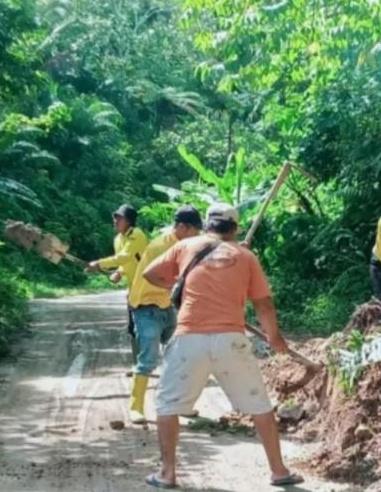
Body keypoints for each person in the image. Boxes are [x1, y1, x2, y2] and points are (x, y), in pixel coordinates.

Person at [142, 202, 303, 489]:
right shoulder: (246, 256)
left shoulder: (186, 246)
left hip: (189, 339)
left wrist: (179, 283)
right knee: (260, 406)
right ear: (235, 228)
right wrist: (275, 338)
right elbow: (264, 304)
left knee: (167, 405)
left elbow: (150, 273)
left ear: (207, 225)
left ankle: (167, 474)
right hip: (231, 341)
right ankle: (279, 471)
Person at [126, 205, 203, 425]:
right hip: (146, 306)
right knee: (148, 359)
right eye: (194, 230)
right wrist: (178, 286)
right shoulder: (162, 246)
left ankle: (180, 404)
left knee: (179, 356)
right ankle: (135, 407)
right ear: (182, 227)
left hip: (166, 306)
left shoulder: (184, 244)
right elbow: (153, 276)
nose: (197, 235)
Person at [86, 204, 148, 365]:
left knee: (149, 329)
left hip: (148, 288)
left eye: (119, 218)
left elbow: (124, 256)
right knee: (133, 328)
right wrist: (120, 272)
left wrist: (99, 264)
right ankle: (139, 366)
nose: (115, 221)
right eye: (115, 217)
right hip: (133, 291)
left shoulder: (137, 235)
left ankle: (150, 364)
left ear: (129, 221)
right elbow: (125, 262)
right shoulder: (118, 239)